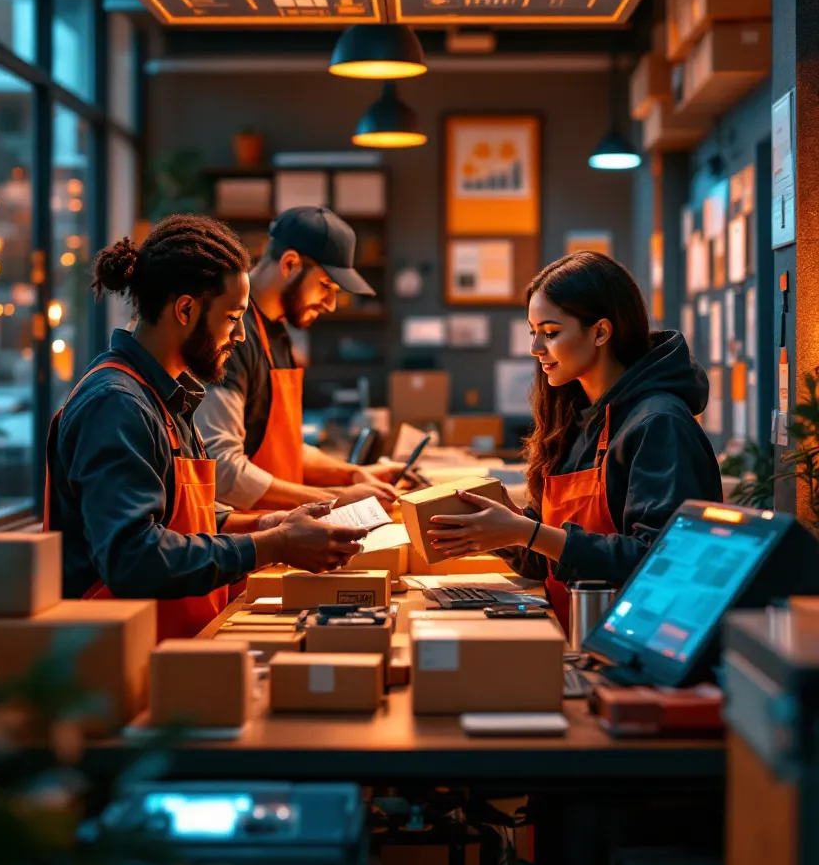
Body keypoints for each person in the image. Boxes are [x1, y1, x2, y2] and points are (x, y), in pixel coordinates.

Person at [44, 214, 368, 640]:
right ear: (185, 310)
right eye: (233, 318)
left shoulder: (166, 396)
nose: (238, 337)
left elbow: (179, 513)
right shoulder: (116, 404)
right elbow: (133, 558)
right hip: (116, 660)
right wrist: (273, 547)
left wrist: (265, 525)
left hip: (173, 647)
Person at [427, 252, 722, 635]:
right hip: (581, 639)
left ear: (600, 332)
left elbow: (661, 562)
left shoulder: (658, 423)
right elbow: (550, 562)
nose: (535, 347)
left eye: (550, 332)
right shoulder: (576, 418)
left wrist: (526, 532)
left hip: (640, 646)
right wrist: (500, 528)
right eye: (532, 331)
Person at [196, 206, 400, 510]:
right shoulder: (233, 334)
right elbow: (221, 469)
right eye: (326, 287)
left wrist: (354, 475)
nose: (331, 304)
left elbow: (285, 447)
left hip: (281, 531)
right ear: (290, 264)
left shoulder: (278, 332)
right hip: (242, 538)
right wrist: (336, 499)